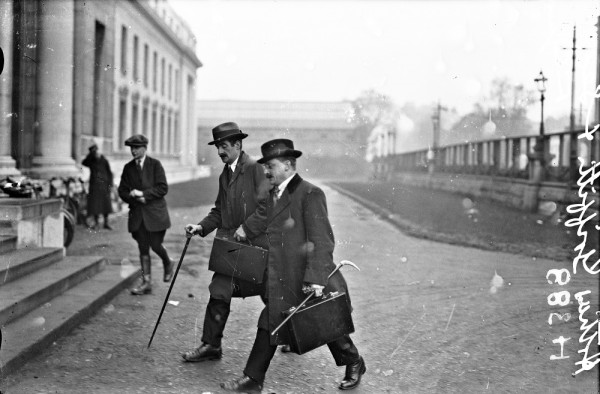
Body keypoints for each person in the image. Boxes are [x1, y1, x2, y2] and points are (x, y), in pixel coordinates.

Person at [223, 139, 366, 392]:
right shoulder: (274, 192)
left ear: (289, 165)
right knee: (270, 321)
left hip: (307, 277)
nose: (266, 172)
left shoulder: (310, 193)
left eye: (271, 166)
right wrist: (245, 229)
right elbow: (263, 216)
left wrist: (315, 279)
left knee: (324, 323)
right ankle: (253, 379)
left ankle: (354, 360)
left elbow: (322, 241)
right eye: (265, 166)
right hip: (281, 275)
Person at [181, 122, 271, 362]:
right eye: (217, 147)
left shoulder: (255, 169)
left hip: (259, 248)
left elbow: (267, 207)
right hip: (232, 248)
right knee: (219, 291)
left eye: (224, 146)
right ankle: (211, 345)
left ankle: (295, 335)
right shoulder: (226, 174)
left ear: (238, 145)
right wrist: (201, 227)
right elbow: (219, 210)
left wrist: (246, 228)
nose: (220, 151)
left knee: (275, 296)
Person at [117, 134, 174, 295]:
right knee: (143, 248)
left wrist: (143, 195)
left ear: (144, 148)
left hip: (155, 215)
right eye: (131, 148)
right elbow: (122, 190)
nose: (133, 151)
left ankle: (167, 261)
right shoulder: (128, 168)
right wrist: (133, 198)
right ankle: (146, 282)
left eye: (136, 148)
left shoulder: (155, 165)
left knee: (155, 244)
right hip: (138, 215)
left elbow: (163, 188)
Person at [82, 143, 114, 230]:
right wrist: (90, 154)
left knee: (106, 205)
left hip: (104, 185)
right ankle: (96, 223)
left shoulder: (104, 161)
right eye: (94, 152)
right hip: (94, 186)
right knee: (95, 205)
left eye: (96, 152)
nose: (96, 154)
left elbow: (110, 173)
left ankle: (106, 223)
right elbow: (84, 163)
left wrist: (110, 185)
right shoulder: (91, 161)